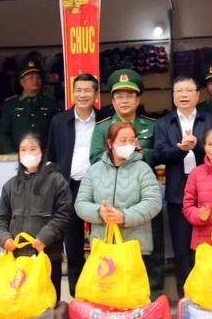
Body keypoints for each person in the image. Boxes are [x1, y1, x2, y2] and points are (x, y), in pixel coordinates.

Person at [89, 69, 165, 299]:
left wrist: (142, 153)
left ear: (138, 99)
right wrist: (118, 155)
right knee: (113, 251)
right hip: (112, 197)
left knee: (151, 248)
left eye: (129, 95)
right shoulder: (102, 128)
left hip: (144, 195)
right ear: (112, 101)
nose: (124, 100)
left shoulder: (152, 125)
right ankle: (116, 296)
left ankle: (153, 296)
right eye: (119, 96)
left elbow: (161, 154)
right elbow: (94, 158)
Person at [76, 122, 162, 292]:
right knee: (106, 297)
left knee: (131, 298)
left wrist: (125, 216)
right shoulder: (94, 171)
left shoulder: (143, 169)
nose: (128, 145)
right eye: (123, 140)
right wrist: (99, 212)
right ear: (110, 143)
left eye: (132, 140)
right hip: (103, 248)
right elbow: (80, 203)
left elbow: (153, 202)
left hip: (135, 248)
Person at [155, 75, 212, 298]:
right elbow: (159, 154)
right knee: (181, 248)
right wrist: (180, 149)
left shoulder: (210, 120)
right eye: (179, 91)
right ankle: (186, 296)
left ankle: (210, 293)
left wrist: (197, 146)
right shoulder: (164, 123)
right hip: (178, 193)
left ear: (198, 95)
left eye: (189, 90)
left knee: (208, 247)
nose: (183, 95)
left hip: (208, 191)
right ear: (173, 96)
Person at [0, 133, 73, 303]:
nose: (28, 154)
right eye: (23, 150)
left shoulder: (56, 181)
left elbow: (65, 213)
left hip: (47, 256)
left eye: (32, 149)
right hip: (18, 259)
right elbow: (1, 218)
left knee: (46, 307)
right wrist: (4, 238)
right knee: (20, 305)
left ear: (42, 153)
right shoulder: (10, 186)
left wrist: (45, 237)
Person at [47, 73, 105, 297]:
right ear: (73, 93)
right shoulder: (59, 121)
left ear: (96, 94)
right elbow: (51, 155)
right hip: (69, 188)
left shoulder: (104, 119)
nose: (82, 95)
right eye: (78, 90)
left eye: (87, 90)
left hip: (99, 188)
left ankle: (102, 290)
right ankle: (77, 293)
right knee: (73, 244)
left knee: (102, 241)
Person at [0, 59, 58, 152]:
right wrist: (11, 153)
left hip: (44, 155)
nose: (35, 80)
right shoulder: (11, 104)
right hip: (18, 155)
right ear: (22, 82)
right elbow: (4, 133)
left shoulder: (50, 103)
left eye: (38, 78)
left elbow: (56, 131)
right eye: (31, 77)